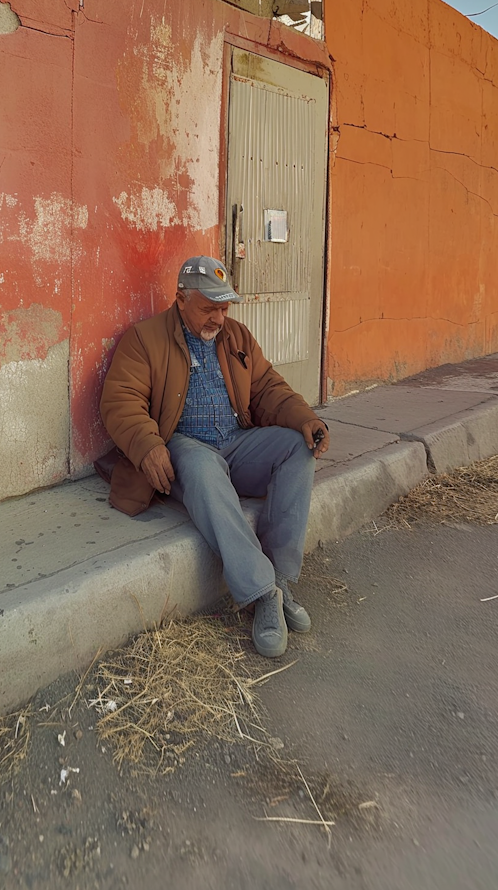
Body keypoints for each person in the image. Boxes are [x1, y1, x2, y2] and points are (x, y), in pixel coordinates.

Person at [99, 256, 330, 657]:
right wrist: (148, 445)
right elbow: (121, 401)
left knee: (297, 448)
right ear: (181, 299)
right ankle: (262, 594)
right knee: (204, 468)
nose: (219, 319)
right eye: (209, 308)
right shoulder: (144, 339)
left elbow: (268, 388)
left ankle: (279, 578)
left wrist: (305, 419)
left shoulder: (236, 337)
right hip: (184, 446)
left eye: (224, 308)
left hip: (235, 443)